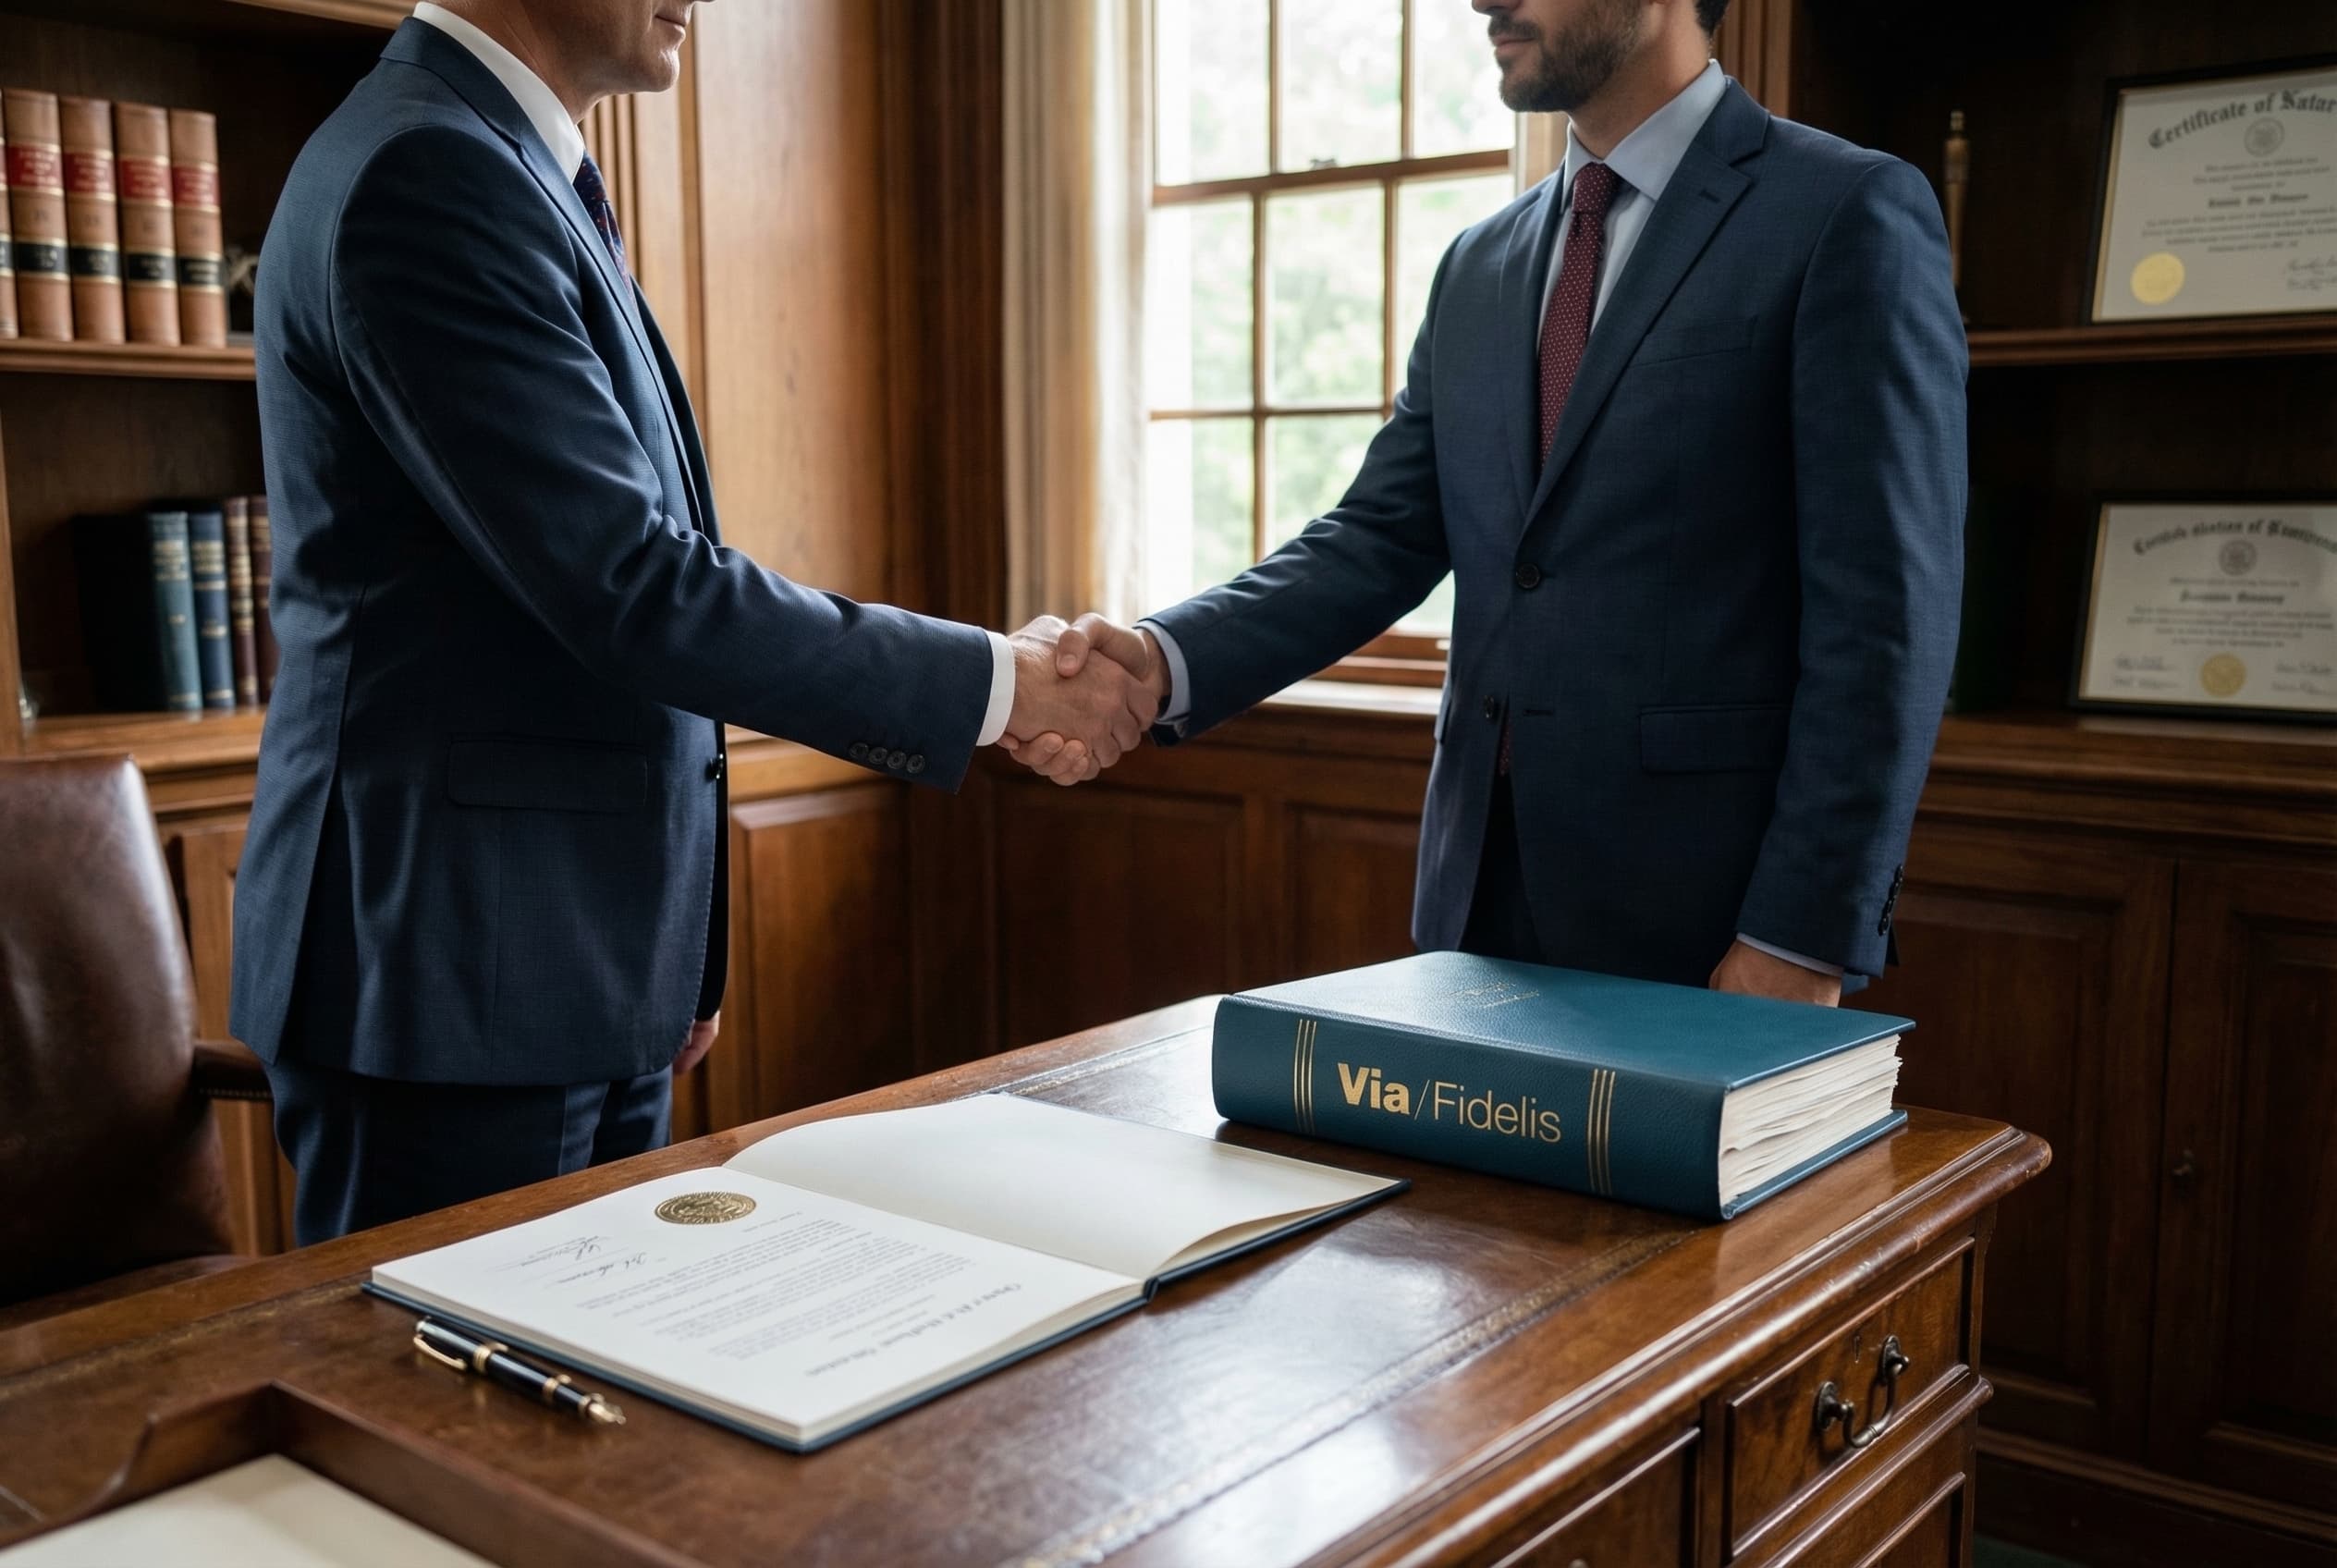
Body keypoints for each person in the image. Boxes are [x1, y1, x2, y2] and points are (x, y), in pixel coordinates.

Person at [232, 0, 1149, 1244]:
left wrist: (667, 957)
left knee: (579, 1416)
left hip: (562, 964)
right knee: (448, 1413)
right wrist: (1005, 685)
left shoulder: (505, 163)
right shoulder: (426, 170)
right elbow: (633, 585)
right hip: (450, 974)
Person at [1027, 0, 1965, 1003]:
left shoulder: (1843, 211)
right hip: (1471, 905)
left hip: (1711, 925)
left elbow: (1884, 624)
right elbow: (1378, 535)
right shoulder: (1478, 263)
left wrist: (1800, 934)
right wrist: (1161, 660)